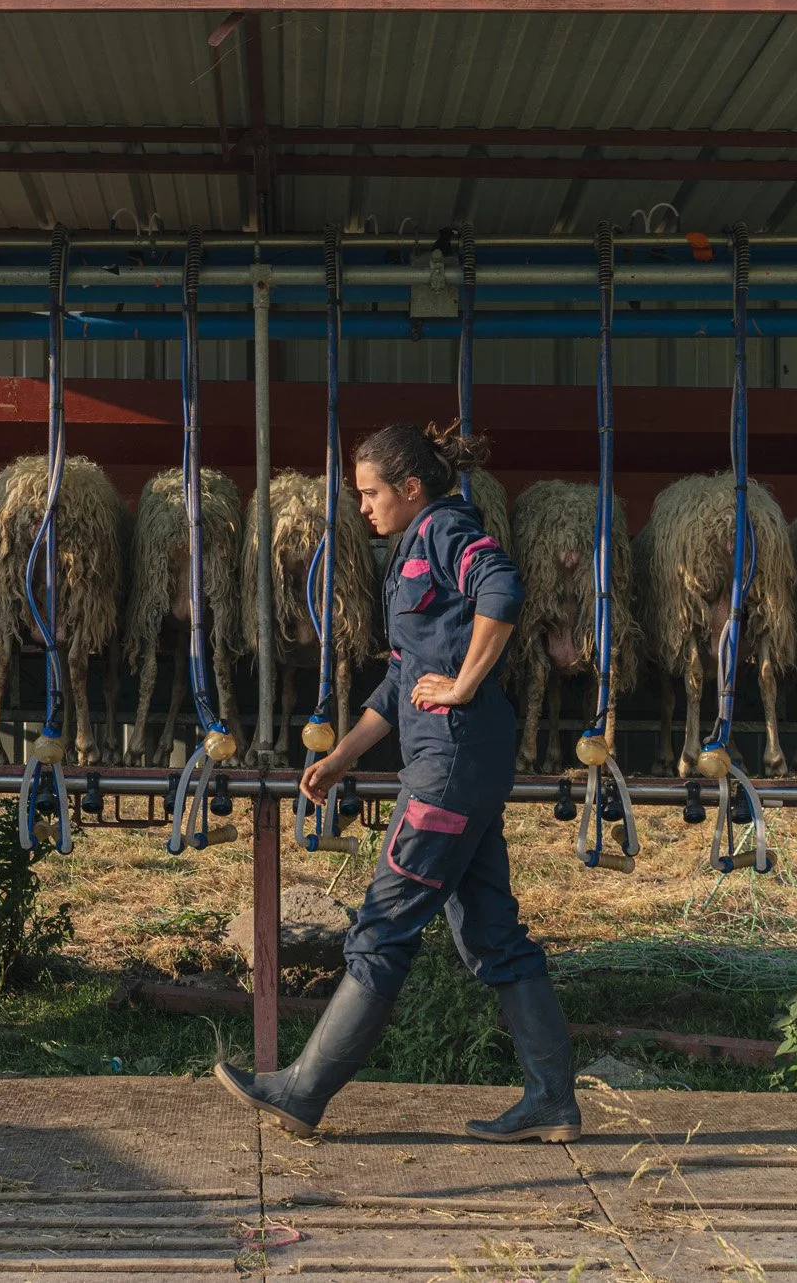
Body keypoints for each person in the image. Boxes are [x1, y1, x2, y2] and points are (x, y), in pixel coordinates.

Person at [214, 421, 580, 1143]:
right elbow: (400, 683)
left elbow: (502, 587)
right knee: (492, 932)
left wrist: (465, 684)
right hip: (454, 763)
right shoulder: (410, 549)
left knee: (383, 928)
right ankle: (552, 1100)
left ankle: (303, 1091)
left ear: (411, 488)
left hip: (446, 767)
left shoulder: (445, 530)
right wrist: (343, 755)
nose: (365, 507)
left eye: (373, 492)